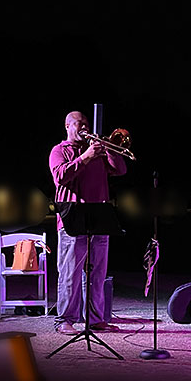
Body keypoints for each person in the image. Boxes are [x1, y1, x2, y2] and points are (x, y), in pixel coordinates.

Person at [49, 111, 127, 335]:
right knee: (70, 274)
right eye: (78, 124)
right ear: (67, 126)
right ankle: (64, 320)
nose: (83, 127)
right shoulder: (60, 150)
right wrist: (86, 157)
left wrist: (108, 149)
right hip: (72, 218)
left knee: (97, 274)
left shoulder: (98, 152)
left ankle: (95, 319)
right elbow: (61, 176)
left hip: (99, 216)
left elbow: (120, 170)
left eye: (85, 123)